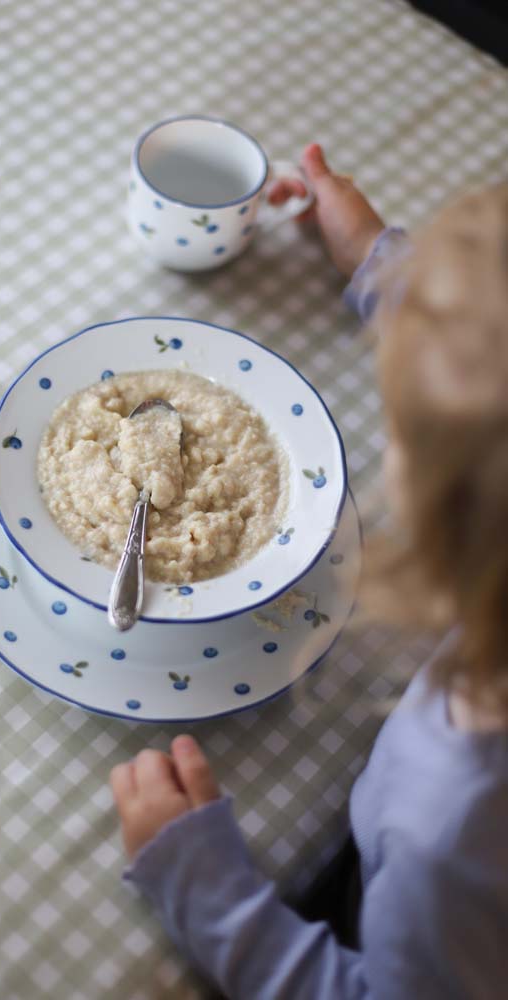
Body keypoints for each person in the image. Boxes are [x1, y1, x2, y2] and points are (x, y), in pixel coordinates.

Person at [109, 145, 508, 999]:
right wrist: (378, 260)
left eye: (404, 432)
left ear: (443, 518)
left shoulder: (454, 833)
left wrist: (205, 889)